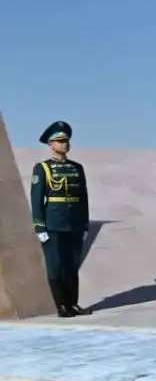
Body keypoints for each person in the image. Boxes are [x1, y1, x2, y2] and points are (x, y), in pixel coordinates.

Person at [30, 121, 91, 318]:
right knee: (55, 266)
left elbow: (83, 198)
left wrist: (84, 224)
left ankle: (73, 303)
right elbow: (37, 200)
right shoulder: (43, 168)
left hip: (74, 224)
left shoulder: (77, 168)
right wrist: (40, 227)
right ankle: (62, 305)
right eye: (61, 141)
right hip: (53, 224)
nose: (65, 144)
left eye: (67, 141)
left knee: (72, 266)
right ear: (51, 144)